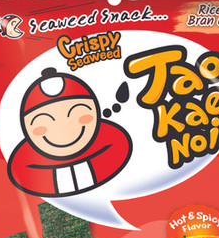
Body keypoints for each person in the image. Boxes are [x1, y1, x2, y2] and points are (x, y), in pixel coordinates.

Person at [8, 68, 132, 197]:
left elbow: (119, 150)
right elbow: (23, 176)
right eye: (43, 124)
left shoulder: (111, 138)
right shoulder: (25, 160)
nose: (61, 129)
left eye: (79, 115)